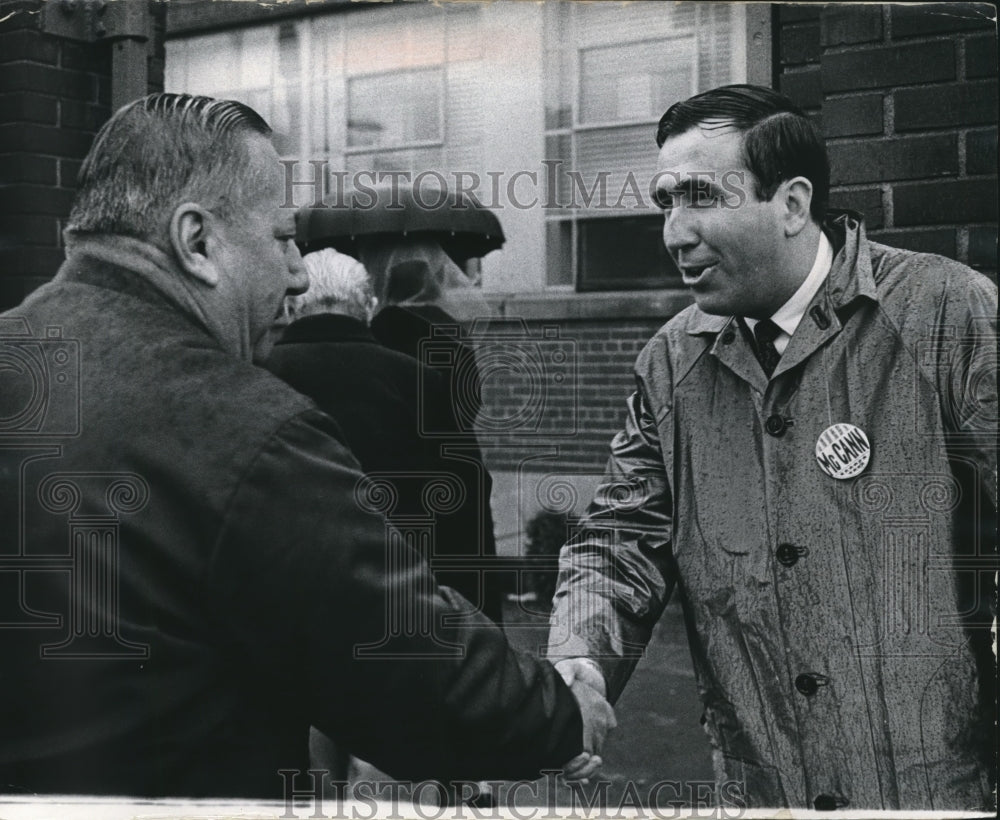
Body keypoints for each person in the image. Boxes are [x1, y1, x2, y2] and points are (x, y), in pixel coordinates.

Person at [0, 93, 613, 798]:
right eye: (282, 236)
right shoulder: (240, 422)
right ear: (197, 242)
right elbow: (400, 661)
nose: (297, 273)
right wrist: (563, 715)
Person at [547, 84, 996, 811]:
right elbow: (619, 536)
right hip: (761, 788)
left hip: (937, 790)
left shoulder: (944, 313)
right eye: (666, 201)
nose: (674, 232)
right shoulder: (671, 363)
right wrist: (582, 659)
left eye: (700, 196)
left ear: (791, 203)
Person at [268, 248, 502, 622]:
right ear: (368, 306)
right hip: (400, 600)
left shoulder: (260, 377)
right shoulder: (417, 380)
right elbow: (466, 498)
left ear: (293, 308)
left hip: (284, 603)